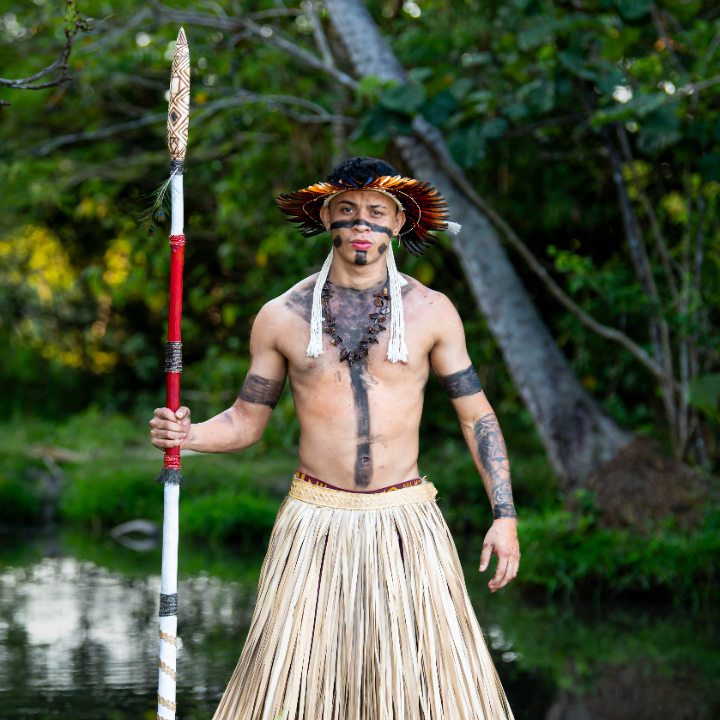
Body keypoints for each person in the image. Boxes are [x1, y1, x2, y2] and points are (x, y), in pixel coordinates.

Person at [150, 157, 519, 719]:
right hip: (314, 527)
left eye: (377, 211)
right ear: (325, 218)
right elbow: (246, 421)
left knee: (417, 696)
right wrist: (188, 434)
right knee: (294, 694)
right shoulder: (282, 316)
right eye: (347, 210)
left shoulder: (432, 312)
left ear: (400, 222)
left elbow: (477, 418)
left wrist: (504, 515)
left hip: (405, 525)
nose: (361, 224)